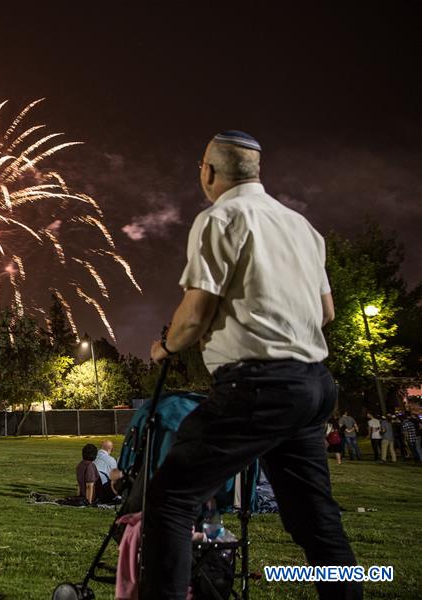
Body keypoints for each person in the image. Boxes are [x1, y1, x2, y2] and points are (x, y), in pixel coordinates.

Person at [143, 131, 360, 599]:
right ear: (257, 171)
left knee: (170, 497)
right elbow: (326, 313)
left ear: (209, 172)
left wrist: (166, 345)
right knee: (314, 518)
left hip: (258, 384)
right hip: (313, 384)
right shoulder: (302, 226)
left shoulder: (220, 217)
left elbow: (194, 315)